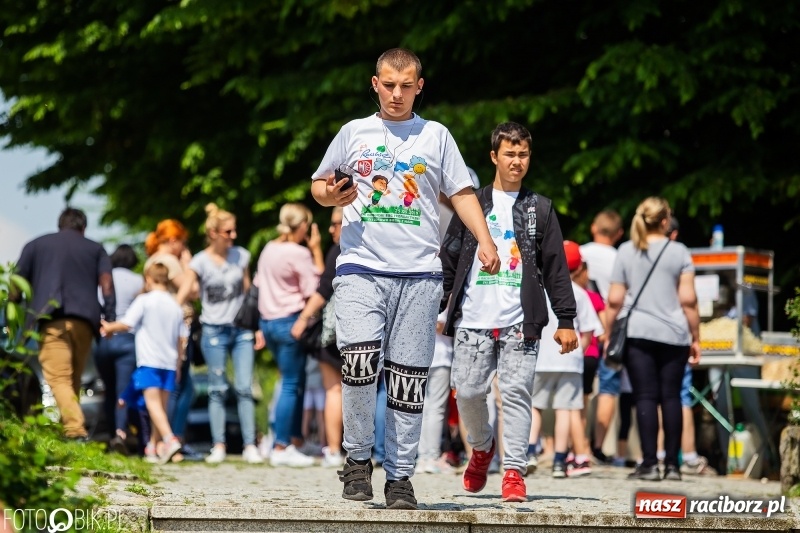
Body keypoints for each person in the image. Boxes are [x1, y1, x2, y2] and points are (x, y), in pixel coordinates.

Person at [310, 48, 500, 510]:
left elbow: (461, 191)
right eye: (388, 85)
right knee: (357, 360)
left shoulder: (435, 136)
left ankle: (399, 476)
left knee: (408, 380)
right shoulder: (354, 132)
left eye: (406, 85)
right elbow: (318, 186)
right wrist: (331, 193)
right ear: (375, 84)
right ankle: (357, 460)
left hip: (419, 273)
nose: (397, 94)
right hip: (360, 267)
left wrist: (486, 239)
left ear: (419, 86)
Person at [441, 122, 578, 503]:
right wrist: (435, 304)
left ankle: (514, 471)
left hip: (521, 320)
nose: (516, 162)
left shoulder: (541, 208)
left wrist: (565, 319)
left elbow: (555, 266)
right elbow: (450, 257)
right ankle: (482, 448)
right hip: (472, 319)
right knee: (467, 392)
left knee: (516, 393)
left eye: (523, 155)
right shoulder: (473, 203)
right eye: (509, 154)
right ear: (494, 157)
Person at [606, 197, 701, 481]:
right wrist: (696, 336)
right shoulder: (680, 252)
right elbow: (689, 300)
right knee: (671, 397)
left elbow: (614, 300)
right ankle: (672, 465)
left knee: (645, 396)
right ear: (664, 221)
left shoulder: (625, 250)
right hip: (675, 334)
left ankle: (648, 464)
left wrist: (609, 333)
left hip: (638, 333)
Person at [14, 207, 116, 440]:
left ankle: (74, 430)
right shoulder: (95, 248)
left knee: (59, 379)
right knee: (72, 380)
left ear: (60, 224)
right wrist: (109, 317)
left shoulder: (36, 245)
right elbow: (107, 284)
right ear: (83, 227)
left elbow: (17, 282)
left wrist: (14, 302)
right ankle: (68, 431)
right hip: (85, 323)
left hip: (52, 320)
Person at [177, 203, 264, 464]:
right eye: (228, 231)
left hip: (240, 330)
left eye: (234, 231)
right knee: (216, 388)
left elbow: (249, 295)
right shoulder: (199, 261)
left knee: (244, 387)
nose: (233, 236)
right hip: (213, 329)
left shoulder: (242, 256)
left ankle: (250, 445)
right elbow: (185, 293)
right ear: (213, 233)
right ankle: (219, 445)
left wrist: (257, 327)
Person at [256, 202, 323, 467]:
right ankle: (281, 445)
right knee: (291, 384)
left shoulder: (268, 248)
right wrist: (316, 250)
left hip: (269, 322)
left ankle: (293, 439)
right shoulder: (299, 253)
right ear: (304, 225)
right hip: (291, 321)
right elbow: (316, 287)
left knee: (293, 381)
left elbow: (259, 284)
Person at [101, 263, 187, 464]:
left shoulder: (145, 300)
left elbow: (127, 323)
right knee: (161, 410)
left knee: (153, 406)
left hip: (150, 359)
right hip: (169, 362)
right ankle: (152, 448)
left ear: (148, 279)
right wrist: (179, 365)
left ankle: (170, 440)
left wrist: (109, 327)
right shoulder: (175, 305)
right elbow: (182, 338)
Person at [291, 207, 346, 468]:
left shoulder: (340, 249)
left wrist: (303, 319)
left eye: (337, 223)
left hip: (334, 333)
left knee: (334, 390)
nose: (331, 229)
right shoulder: (370, 251)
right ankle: (374, 450)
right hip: (364, 331)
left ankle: (334, 449)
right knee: (368, 390)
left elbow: (324, 288)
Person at [144, 218, 202, 461]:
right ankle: (172, 438)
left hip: (159, 328)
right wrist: (188, 265)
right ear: (173, 240)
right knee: (182, 386)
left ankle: (158, 442)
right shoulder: (170, 261)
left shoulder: (150, 260)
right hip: (179, 326)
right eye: (183, 242)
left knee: (173, 386)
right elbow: (194, 290)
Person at [581, 210, 628, 465]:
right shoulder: (620, 257)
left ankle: (579, 445)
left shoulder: (582, 252)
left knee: (581, 387)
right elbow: (621, 296)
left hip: (583, 325)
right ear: (619, 233)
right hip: (615, 326)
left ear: (593, 227)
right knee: (608, 387)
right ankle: (598, 447)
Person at [94, 244, 143, 454]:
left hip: (103, 340)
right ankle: (121, 433)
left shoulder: (101, 279)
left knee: (109, 390)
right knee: (123, 390)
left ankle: (111, 432)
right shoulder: (138, 281)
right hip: (126, 340)